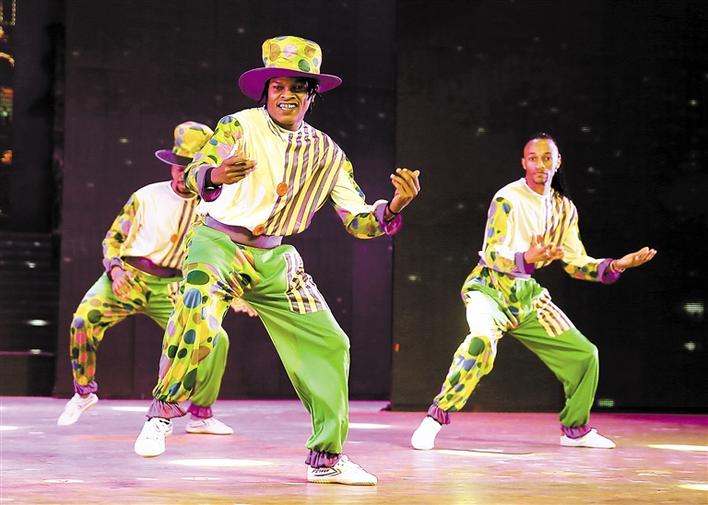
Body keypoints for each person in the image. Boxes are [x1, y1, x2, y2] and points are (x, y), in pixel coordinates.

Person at [133, 35, 420, 486]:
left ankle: (326, 459)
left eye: (298, 87)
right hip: (219, 244)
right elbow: (191, 175)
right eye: (278, 86)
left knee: (331, 342)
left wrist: (395, 207)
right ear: (266, 92)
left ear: (312, 95)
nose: (287, 94)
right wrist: (214, 173)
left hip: (275, 258)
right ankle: (162, 413)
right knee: (198, 313)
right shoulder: (237, 126)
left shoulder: (327, 153)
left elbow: (359, 221)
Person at [411, 132, 656, 451]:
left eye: (547, 158)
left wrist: (617, 264)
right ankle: (435, 418)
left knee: (585, 355)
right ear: (524, 163)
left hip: (526, 296)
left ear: (558, 162)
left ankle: (575, 429)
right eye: (533, 158)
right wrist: (526, 257)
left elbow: (575, 263)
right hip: (489, 288)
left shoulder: (564, 209)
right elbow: (492, 252)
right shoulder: (507, 198)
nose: (540, 164)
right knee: (480, 342)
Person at [57, 122, 235, 436]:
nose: (181, 174)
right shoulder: (146, 196)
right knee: (83, 321)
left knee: (216, 339)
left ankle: (201, 414)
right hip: (128, 278)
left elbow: (226, 253)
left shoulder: (215, 208)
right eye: (178, 167)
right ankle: (84, 392)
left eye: (189, 168)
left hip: (173, 288)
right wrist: (115, 270)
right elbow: (113, 239)